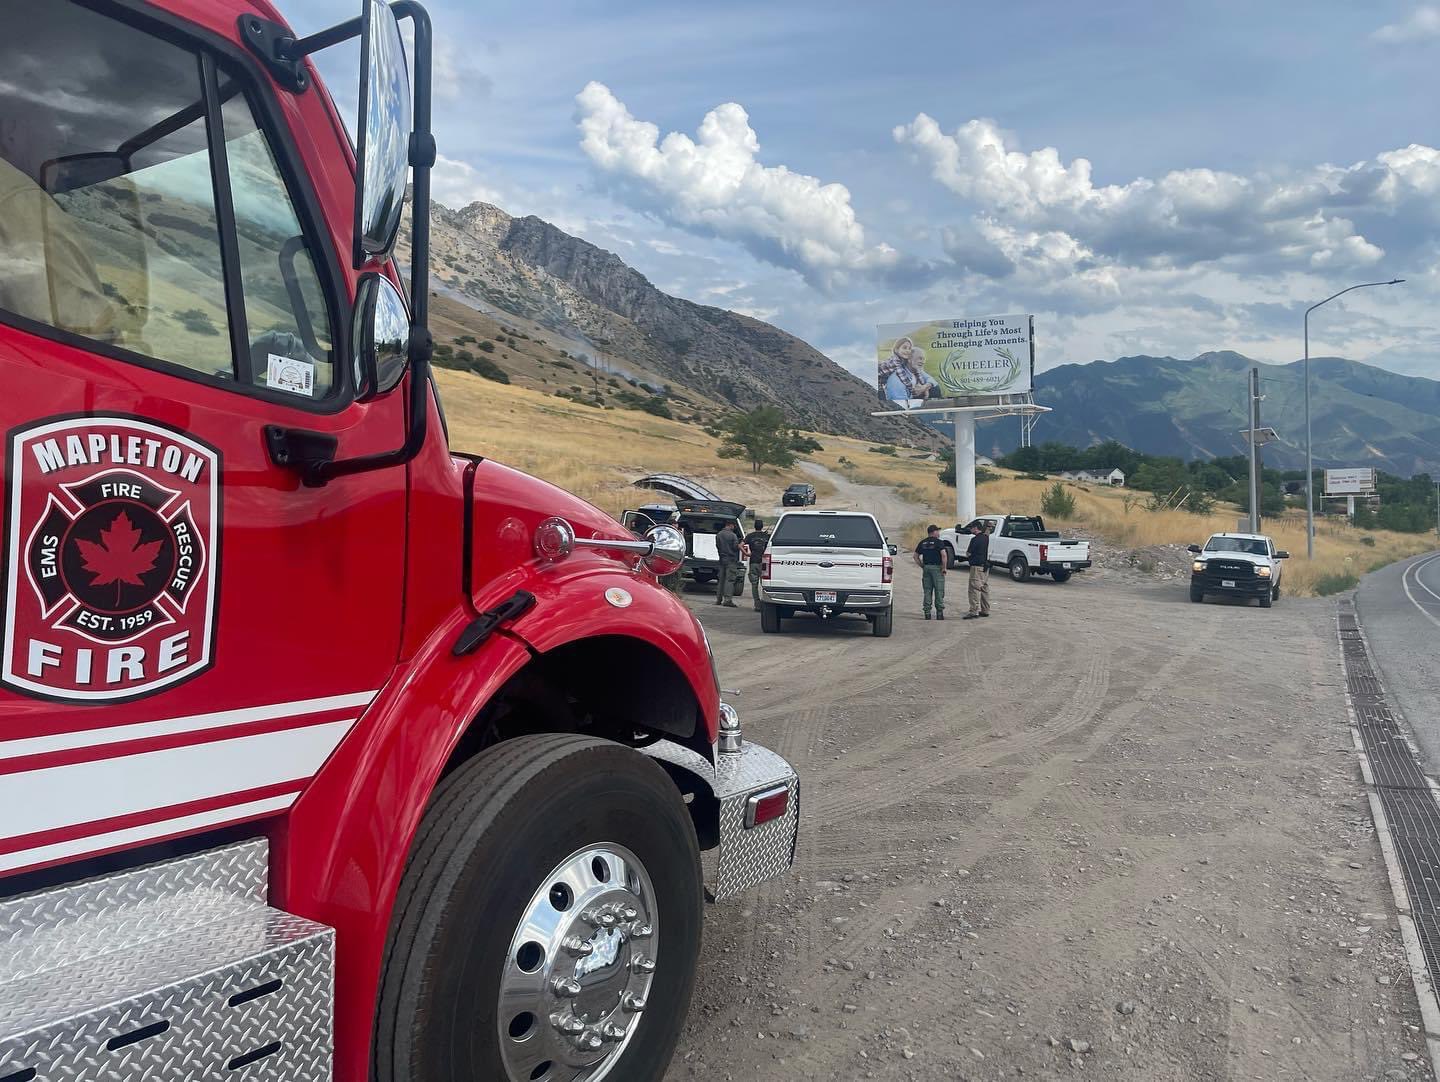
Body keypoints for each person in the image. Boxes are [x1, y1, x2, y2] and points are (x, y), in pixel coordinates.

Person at [879, 336, 939, 408]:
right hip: (879, 384)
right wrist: (914, 390)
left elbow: (921, 375)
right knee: (884, 402)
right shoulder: (895, 362)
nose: (907, 350)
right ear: (896, 349)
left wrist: (924, 388)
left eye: (909, 348)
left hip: (885, 381)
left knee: (935, 388)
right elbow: (903, 378)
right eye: (904, 348)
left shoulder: (905, 361)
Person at [913, 524, 947, 620]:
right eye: (938, 531)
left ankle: (927, 613)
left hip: (927, 568)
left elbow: (915, 556)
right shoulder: (939, 542)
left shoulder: (922, 542)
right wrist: (944, 568)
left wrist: (923, 566)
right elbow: (944, 556)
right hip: (937, 568)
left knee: (927, 591)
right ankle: (939, 613)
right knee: (939, 590)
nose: (939, 533)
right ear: (933, 532)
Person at [963, 521, 991, 620]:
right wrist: (988, 527)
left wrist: (968, 555)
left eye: (971, 528)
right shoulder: (985, 538)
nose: (970, 530)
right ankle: (985, 610)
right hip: (985, 567)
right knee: (984, 588)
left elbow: (968, 553)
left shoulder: (974, 540)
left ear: (975, 528)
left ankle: (973, 611)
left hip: (976, 567)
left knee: (974, 589)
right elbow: (987, 532)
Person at [742, 518, 770, 607]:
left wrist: (746, 553)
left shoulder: (750, 536)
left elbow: (740, 545)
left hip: (753, 561)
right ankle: (765, 603)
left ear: (754, 526)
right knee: (764, 585)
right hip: (764, 563)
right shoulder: (767, 536)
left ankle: (757, 604)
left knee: (754, 585)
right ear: (762, 527)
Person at [714, 521, 741, 607]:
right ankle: (727, 600)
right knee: (729, 580)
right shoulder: (733, 535)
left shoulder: (719, 534)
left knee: (721, 580)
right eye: (733, 525)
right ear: (730, 525)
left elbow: (717, 546)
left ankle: (718, 599)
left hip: (722, 559)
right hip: (731, 560)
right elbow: (735, 547)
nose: (734, 527)